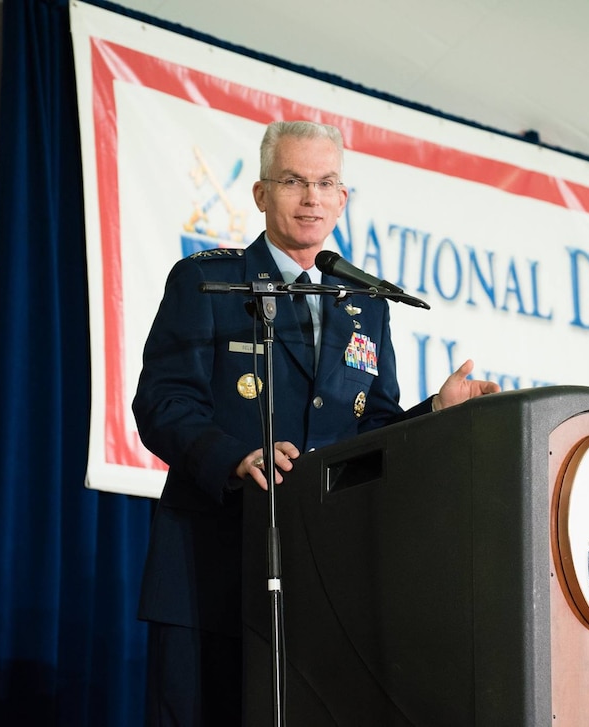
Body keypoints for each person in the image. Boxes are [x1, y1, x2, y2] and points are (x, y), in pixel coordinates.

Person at [132, 119, 500, 727]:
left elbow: (370, 432)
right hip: (214, 564)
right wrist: (235, 458)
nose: (311, 198)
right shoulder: (207, 281)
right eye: (294, 181)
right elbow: (163, 402)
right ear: (260, 194)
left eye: (326, 183)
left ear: (342, 198)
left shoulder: (365, 304)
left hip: (320, 578)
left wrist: (435, 414)